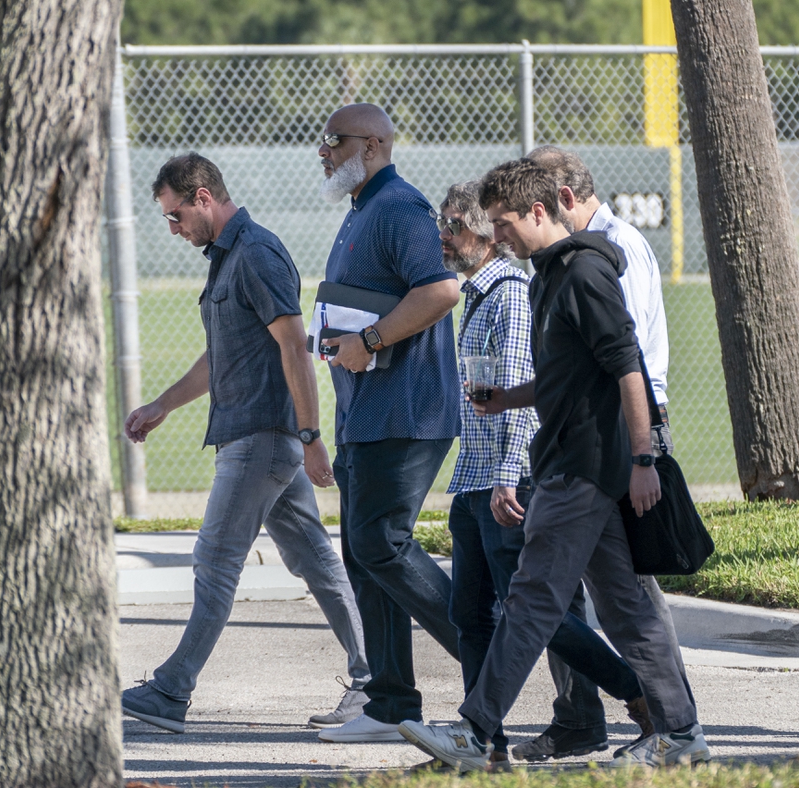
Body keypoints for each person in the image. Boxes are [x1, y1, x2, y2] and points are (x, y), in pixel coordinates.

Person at [398, 158, 710, 771]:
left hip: (584, 469)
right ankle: (682, 735)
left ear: (540, 210)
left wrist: (644, 458)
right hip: (575, 464)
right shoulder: (546, 275)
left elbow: (629, 368)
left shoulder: (586, 273)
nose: (498, 235)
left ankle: (473, 732)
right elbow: (567, 377)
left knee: (532, 599)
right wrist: (508, 398)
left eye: (504, 222)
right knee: (629, 609)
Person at [118, 153, 370, 734]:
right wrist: (161, 405)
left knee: (215, 559)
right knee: (315, 560)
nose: (174, 229)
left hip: (261, 439)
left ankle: (172, 691)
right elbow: (222, 355)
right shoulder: (228, 259)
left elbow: (293, 345)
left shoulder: (255, 253)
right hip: (259, 437)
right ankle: (372, 682)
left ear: (203, 197)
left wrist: (310, 437)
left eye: (175, 215)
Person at [515, 144, 693, 761]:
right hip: (577, 438)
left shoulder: (616, 251)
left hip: (623, 431)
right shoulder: (563, 262)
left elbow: (628, 362)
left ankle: (669, 722)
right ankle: (581, 717)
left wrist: (640, 457)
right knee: (564, 589)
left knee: (631, 593)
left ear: (561, 200)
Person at [312, 103, 462, 743]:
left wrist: (369, 339)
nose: (323, 151)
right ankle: (391, 705)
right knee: (361, 551)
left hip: (406, 410)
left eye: (333, 141)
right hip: (364, 414)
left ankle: (490, 660)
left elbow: (441, 290)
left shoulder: (399, 205)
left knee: (381, 543)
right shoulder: (362, 211)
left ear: (371, 143)